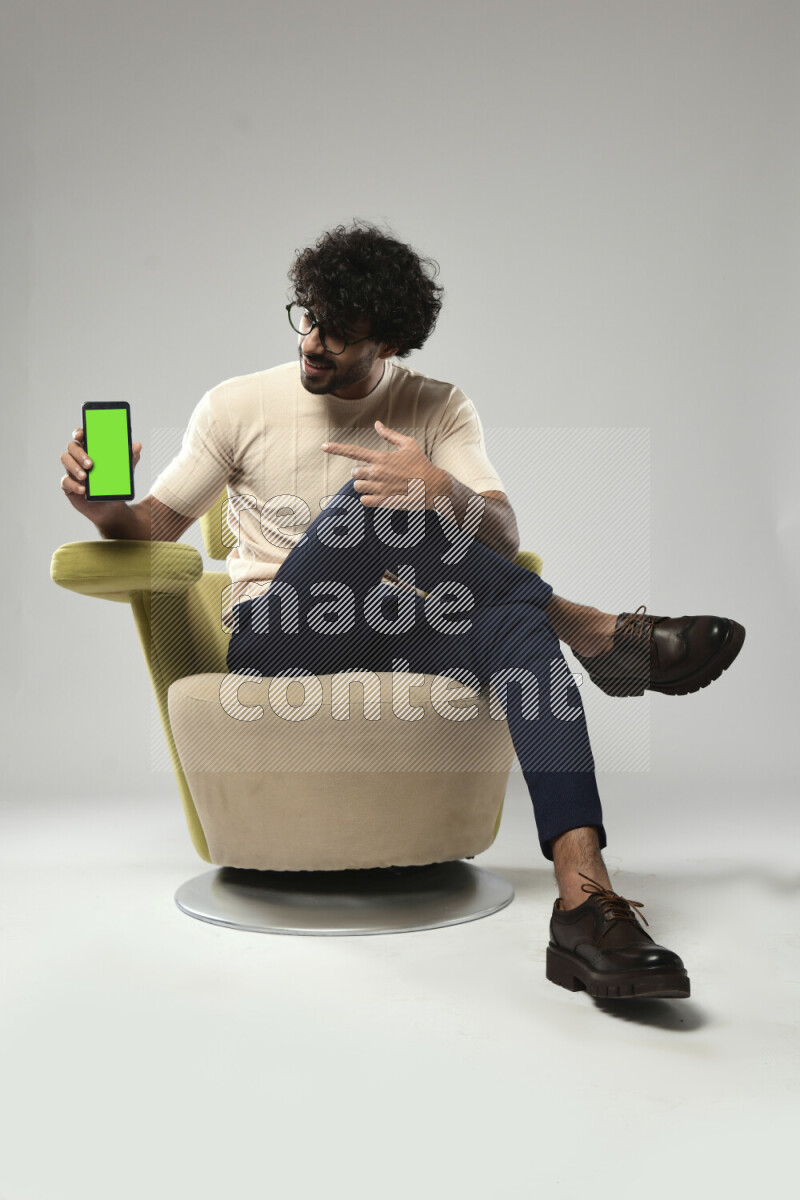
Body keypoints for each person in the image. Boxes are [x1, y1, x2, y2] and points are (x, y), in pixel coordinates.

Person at [59, 220, 745, 1001]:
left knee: (511, 624)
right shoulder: (235, 405)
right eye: (306, 318)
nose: (313, 343)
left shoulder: (439, 407)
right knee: (372, 501)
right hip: (281, 632)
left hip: (399, 624)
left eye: (339, 335)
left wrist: (442, 490)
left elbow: (505, 532)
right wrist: (101, 506)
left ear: (386, 344)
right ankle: (597, 631)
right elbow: (151, 526)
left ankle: (585, 903)